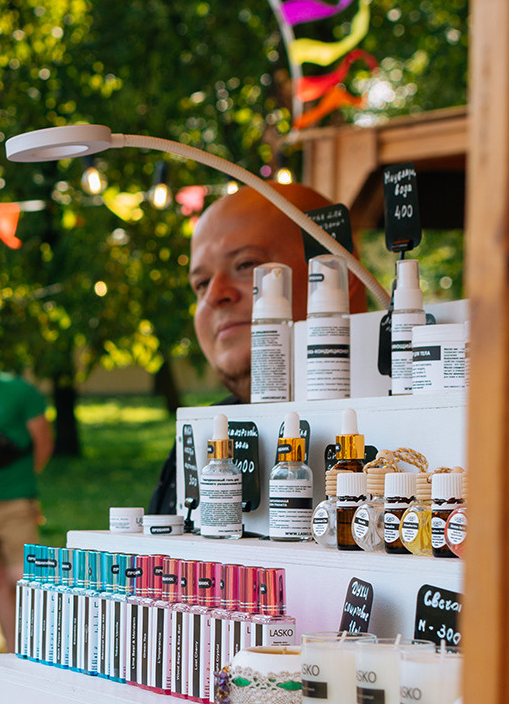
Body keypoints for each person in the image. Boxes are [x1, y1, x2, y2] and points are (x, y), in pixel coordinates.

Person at [147, 183, 362, 514]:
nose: (215, 294)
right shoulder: (197, 446)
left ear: (339, 275)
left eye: (247, 264)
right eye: (200, 284)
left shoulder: (428, 421)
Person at [0, 344, 51, 653]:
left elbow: (44, 442)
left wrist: (25, 480)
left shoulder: (18, 391)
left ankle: (41, 649)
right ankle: (12, 652)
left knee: (25, 577)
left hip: (15, 502)